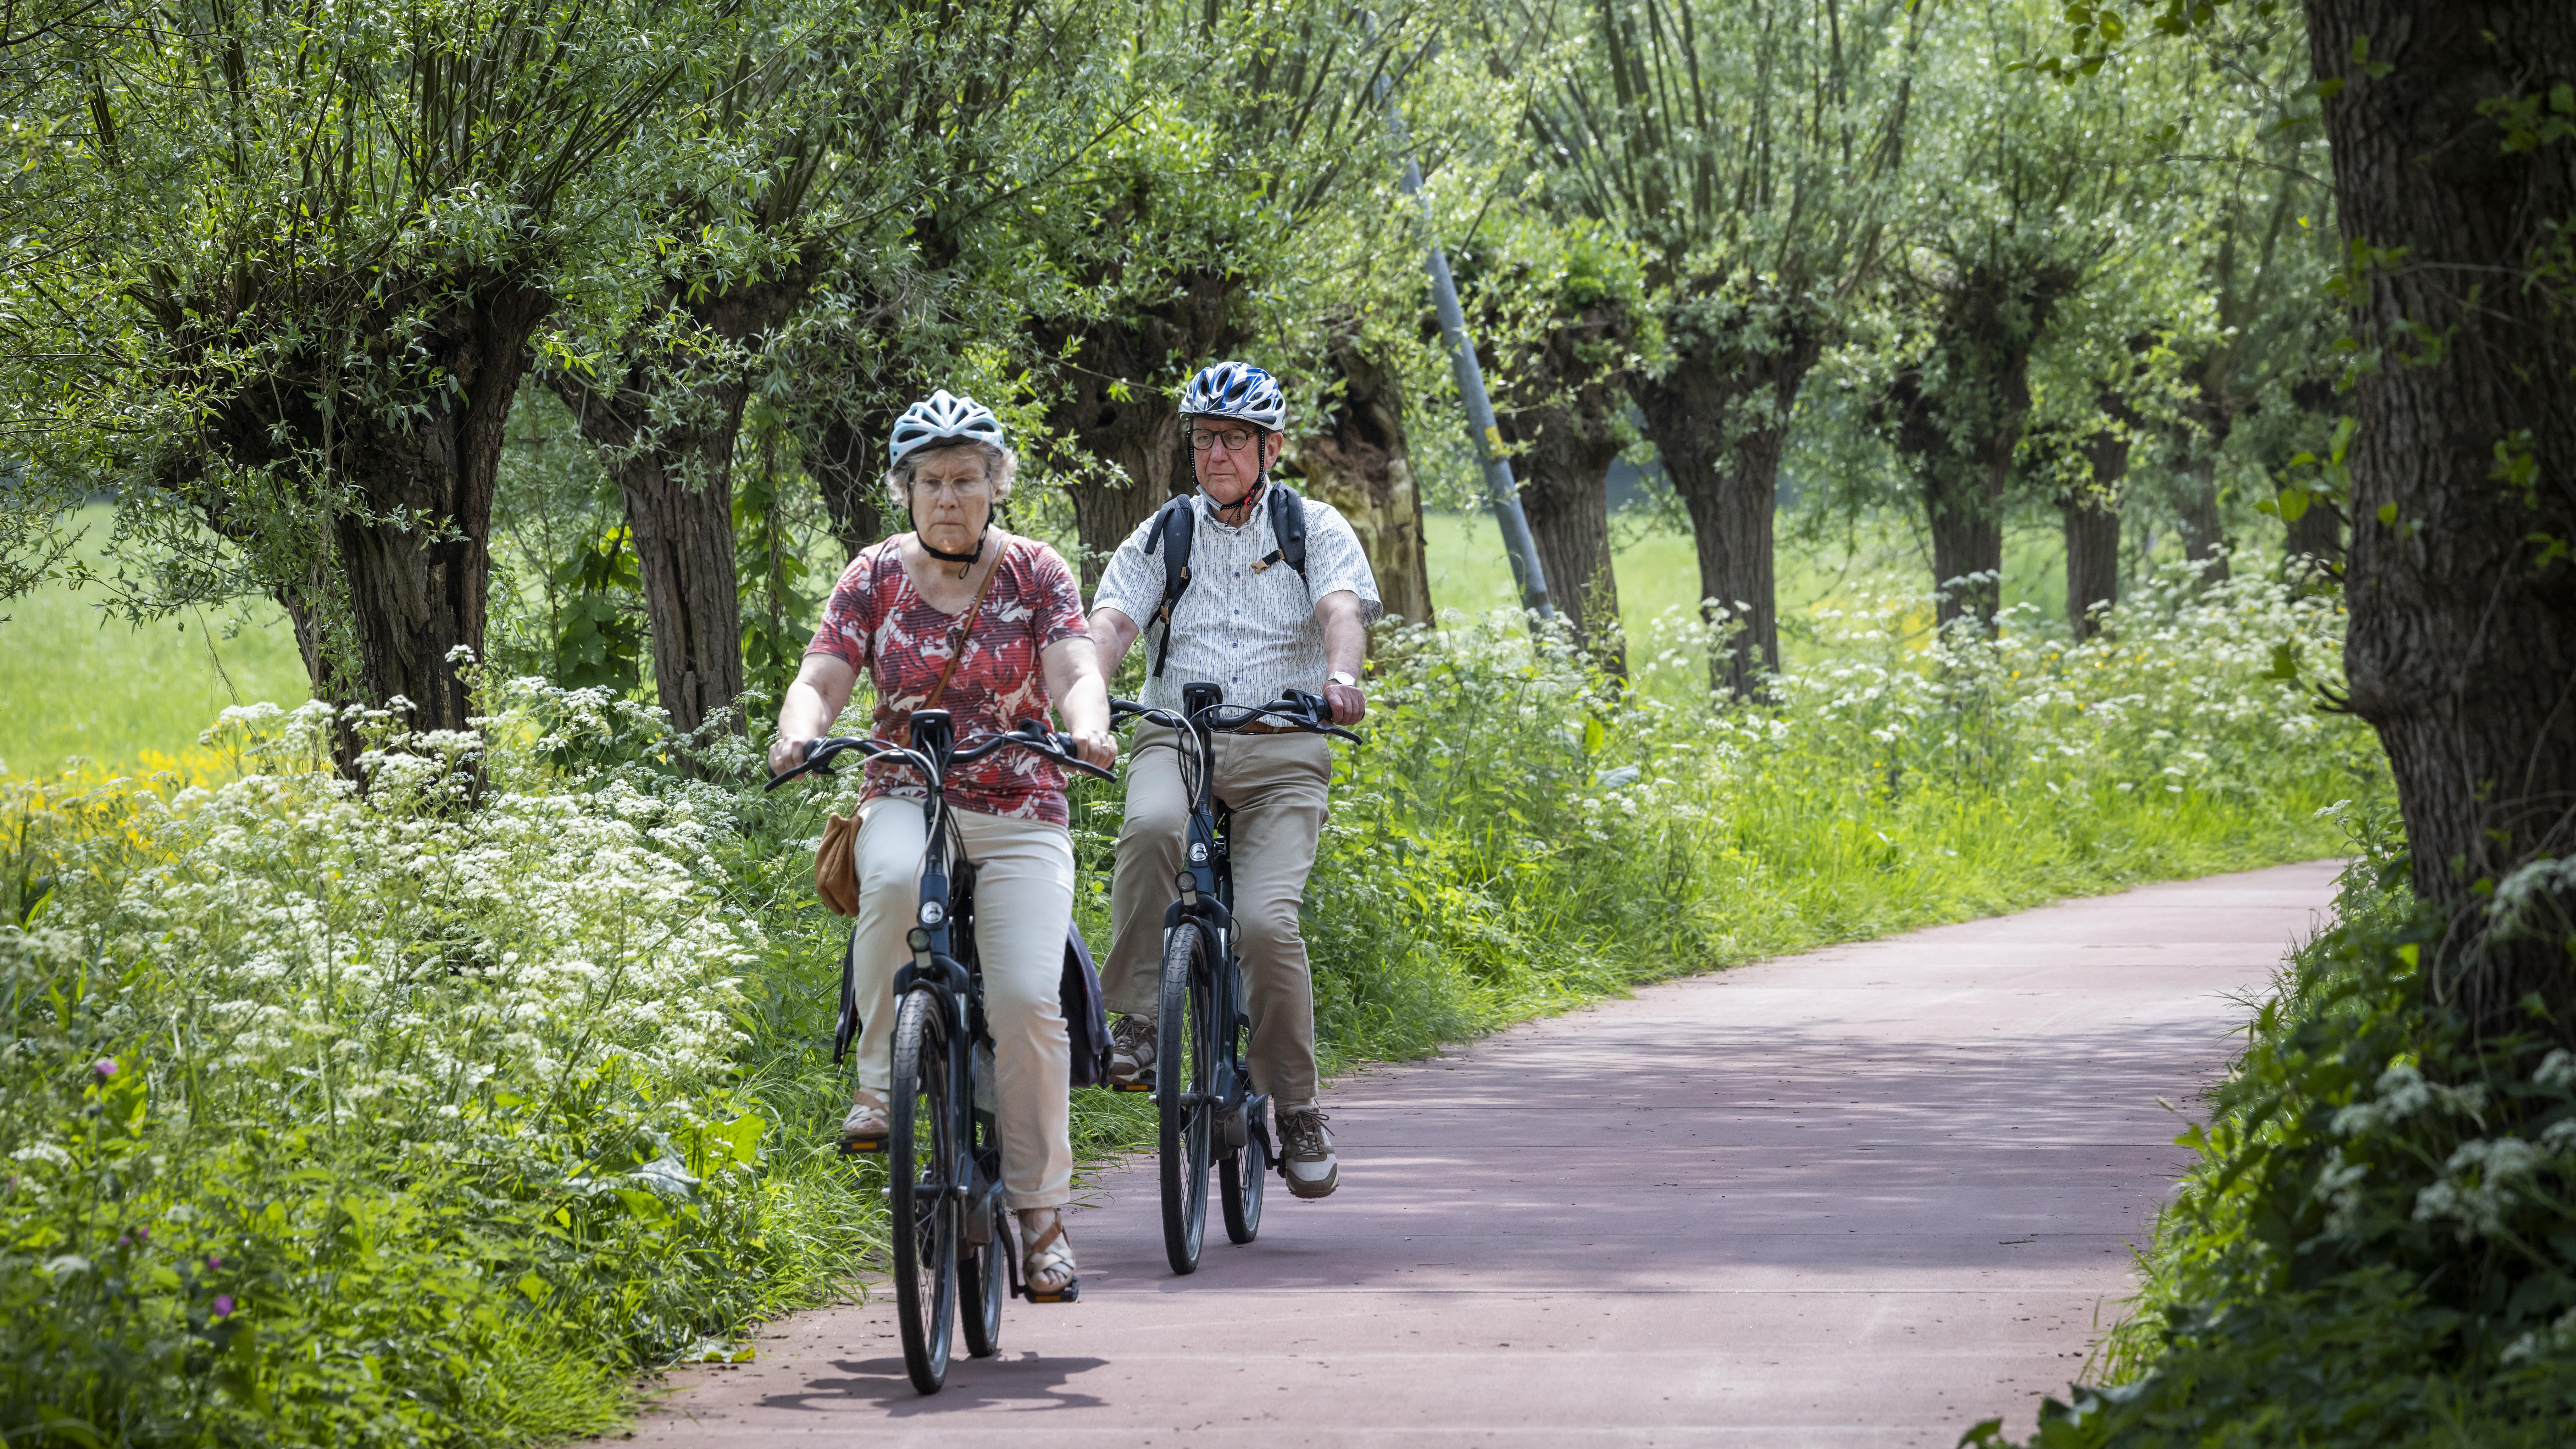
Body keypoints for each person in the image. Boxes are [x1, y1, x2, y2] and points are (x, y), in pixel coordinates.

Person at [771, 389, 1116, 1298]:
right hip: (906, 795)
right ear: (906, 491)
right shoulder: (874, 574)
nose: (950, 497)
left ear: (997, 484)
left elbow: (1076, 669)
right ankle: (880, 1086)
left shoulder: (1038, 574)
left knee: (1026, 1002)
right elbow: (823, 674)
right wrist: (799, 730)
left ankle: (1041, 1218)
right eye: (931, 481)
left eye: (968, 478)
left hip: (1019, 807)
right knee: (886, 883)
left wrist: (1089, 727)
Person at [1087, 361, 1381, 1200]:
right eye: (1205, 437)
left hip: (1285, 747)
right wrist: (1086, 697)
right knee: (1149, 830)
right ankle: (1141, 1018)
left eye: (1236, 439)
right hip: (1177, 738)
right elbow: (1111, 623)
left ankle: (1297, 1109)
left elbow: (1341, 612)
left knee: (1264, 922)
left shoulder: (1313, 528)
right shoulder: (1164, 532)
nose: (1217, 452)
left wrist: (1342, 678)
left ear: (1272, 447)